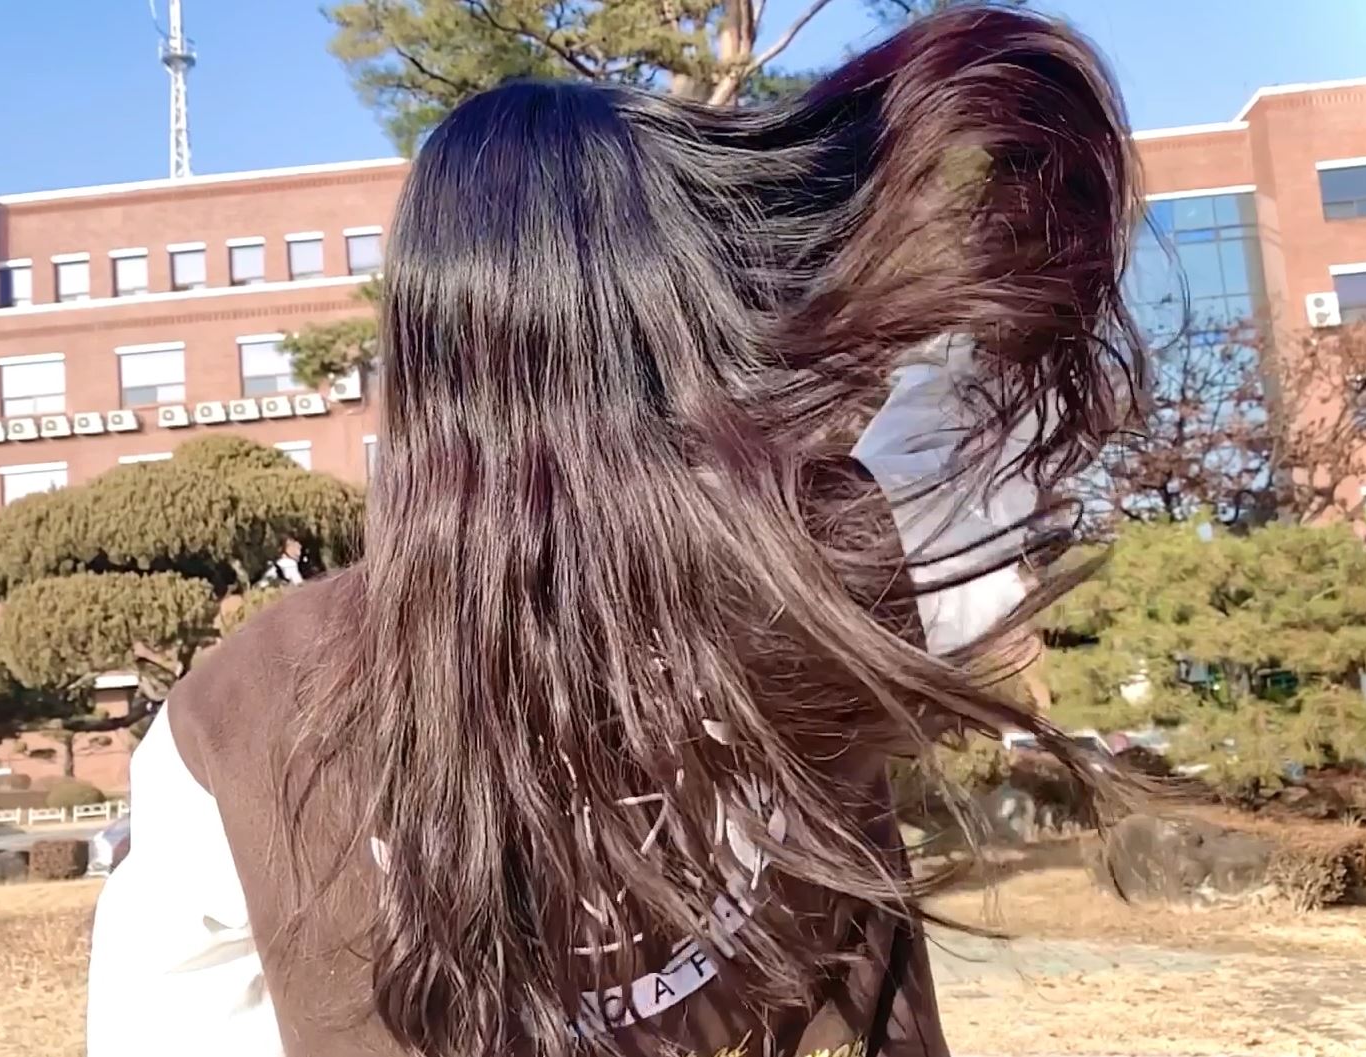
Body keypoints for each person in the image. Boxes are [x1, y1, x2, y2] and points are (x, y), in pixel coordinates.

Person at [86, 7, 1143, 1057]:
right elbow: (991, 379)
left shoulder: (235, 717)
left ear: (418, 367)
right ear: (698, 324)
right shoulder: (843, 562)